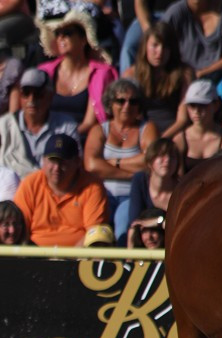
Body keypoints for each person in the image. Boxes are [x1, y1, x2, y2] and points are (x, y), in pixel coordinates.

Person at [83, 79, 157, 244]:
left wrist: (112, 162)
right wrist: (133, 174)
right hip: (102, 194)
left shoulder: (147, 128)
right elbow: (91, 165)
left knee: (123, 228)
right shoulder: (99, 129)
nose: (127, 106)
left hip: (132, 194)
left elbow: (151, 160)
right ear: (110, 103)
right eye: (121, 101)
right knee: (97, 233)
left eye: (133, 101)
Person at [13, 133, 110, 246]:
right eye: (52, 161)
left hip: (79, 259)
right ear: (43, 161)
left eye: (63, 161)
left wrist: (66, 261)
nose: (57, 168)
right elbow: (19, 231)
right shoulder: (30, 184)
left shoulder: (93, 186)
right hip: (35, 258)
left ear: (77, 162)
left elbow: (93, 235)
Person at [36, 9, 118, 136]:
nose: (61, 37)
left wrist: (66, 137)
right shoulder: (44, 72)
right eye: (58, 33)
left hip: (85, 138)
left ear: (84, 39)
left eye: (67, 33)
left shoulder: (100, 73)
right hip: (47, 138)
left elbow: (89, 123)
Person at [0, 68, 80, 178]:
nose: (32, 99)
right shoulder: (3, 125)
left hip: (53, 190)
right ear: (20, 96)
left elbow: (75, 165)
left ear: (51, 96)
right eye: (26, 93)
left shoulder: (66, 126)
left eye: (39, 94)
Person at [121, 22, 193, 138]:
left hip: (174, 131)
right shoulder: (131, 74)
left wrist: (161, 139)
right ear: (145, 46)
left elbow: (183, 119)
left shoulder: (184, 73)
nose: (159, 52)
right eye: (155, 45)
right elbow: (127, 114)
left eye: (165, 47)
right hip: (143, 131)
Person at [160, 0, 222, 84]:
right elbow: (159, 44)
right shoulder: (175, 13)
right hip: (182, 80)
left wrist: (201, 73)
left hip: (221, 80)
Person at [172, 78, 222, 174]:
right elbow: (177, 179)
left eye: (202, 105)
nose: (196, 111)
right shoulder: (180, 139)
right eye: (192, 105)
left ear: (216, 105)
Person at [127, 137, 178, 228]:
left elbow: (179, 223)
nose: (167, 160)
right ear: (150, 161)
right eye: (161, 155)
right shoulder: (140, 180)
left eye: (172, 156)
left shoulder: (181, 188)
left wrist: (157, 222)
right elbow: (135, 223)